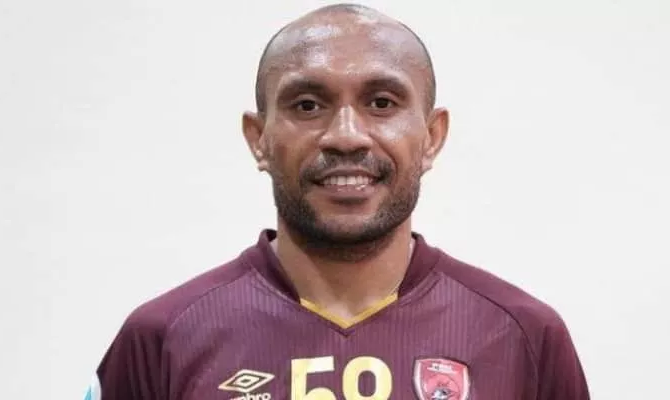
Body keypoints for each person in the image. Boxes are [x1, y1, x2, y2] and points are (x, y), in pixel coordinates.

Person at [85, 3, 590, 399]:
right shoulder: (162, 339)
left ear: (431, 137)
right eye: (307, 105)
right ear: (259, 139)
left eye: (381, 103)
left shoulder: (524, 336)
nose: (346, 135)